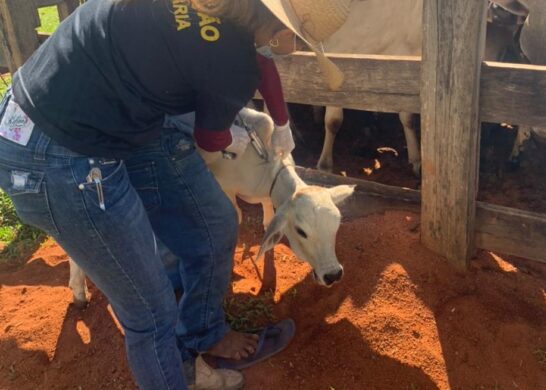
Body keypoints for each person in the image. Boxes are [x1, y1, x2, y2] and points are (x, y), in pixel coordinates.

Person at [0, 0, 352, 388]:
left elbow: (258, 62)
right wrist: (228, 132)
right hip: (57, 152)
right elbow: (209, 139)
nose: (296, 47)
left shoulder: (228, 12)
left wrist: (274, 121)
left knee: (215, 225)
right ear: (280, 29)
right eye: (298, 38)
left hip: (108, 114)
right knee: (150, 312)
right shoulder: (232, 63)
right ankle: (178, 374)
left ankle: (206, 333)